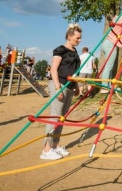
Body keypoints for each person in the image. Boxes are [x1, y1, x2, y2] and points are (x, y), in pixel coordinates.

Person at [41, 24, 81, 160]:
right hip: (59, 85)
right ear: (69, 37)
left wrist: (76, 86)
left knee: (62, 118)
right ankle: (46, 150)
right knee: (55, 116)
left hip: (69, 86)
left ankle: (55, 146)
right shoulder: (60, 50)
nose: (79, 40)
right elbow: (53, 69)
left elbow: (74, 72)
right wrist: (58, 89)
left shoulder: (75, 53)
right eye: (77, 38)